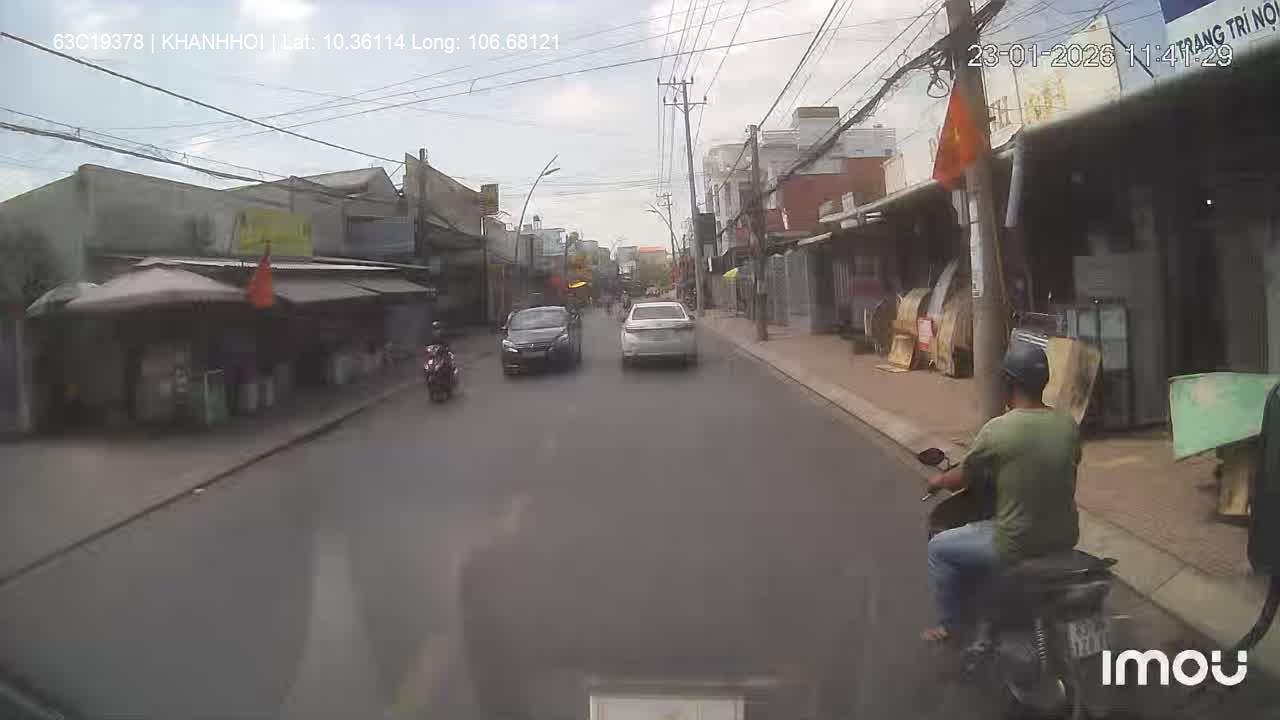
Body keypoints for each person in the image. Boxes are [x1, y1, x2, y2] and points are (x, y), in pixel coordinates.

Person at [920, 342, 1081, 643]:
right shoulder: (1068, 425)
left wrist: (939, 480)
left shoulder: (999, 430)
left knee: (938, 549)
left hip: (1017, 542)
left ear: (1009, 383)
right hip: (1065, 537)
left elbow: (962, 478)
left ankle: (950, 626)